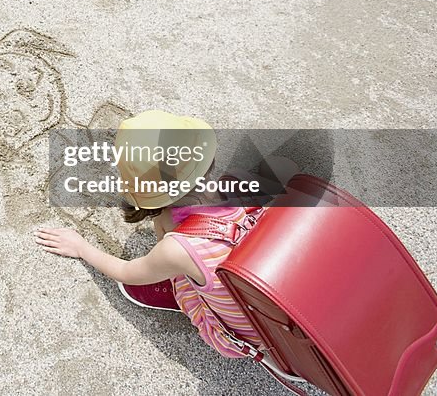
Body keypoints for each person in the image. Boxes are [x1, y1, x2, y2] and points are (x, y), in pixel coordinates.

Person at [35, 110, 269, 359]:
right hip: (271, 300)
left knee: (172, 256)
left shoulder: (178, 249)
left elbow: (127, 274)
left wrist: (81, 247)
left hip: (241, 336)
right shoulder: (245, 184)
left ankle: (184, 291)